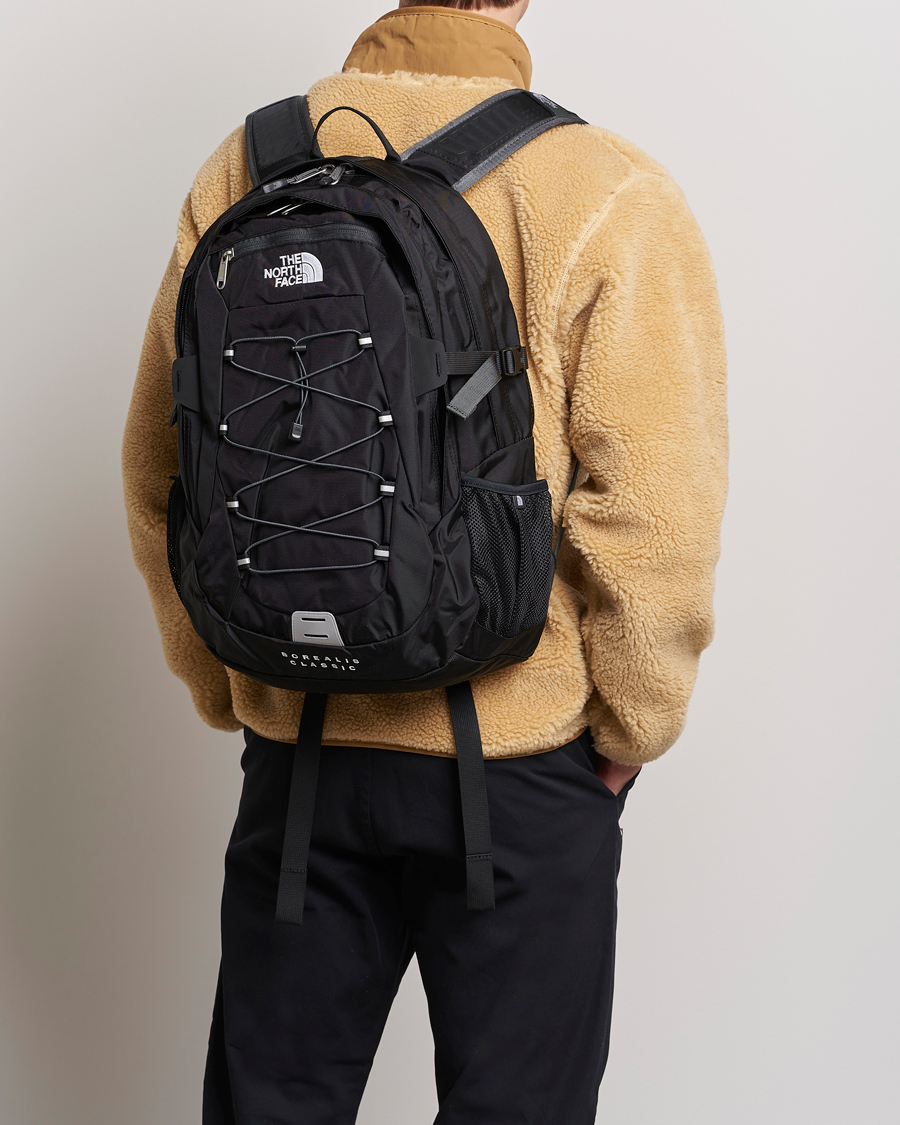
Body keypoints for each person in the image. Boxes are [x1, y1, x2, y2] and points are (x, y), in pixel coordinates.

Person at [122, 1, 728, 1121]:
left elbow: (161, 467)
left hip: (300, 756)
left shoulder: (245, 165)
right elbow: (655, 510)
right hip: (518, 767)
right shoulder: (601, 185)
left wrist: (233, 685)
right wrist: (629, 731)